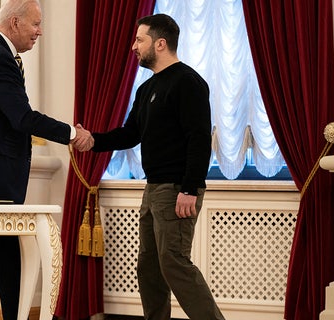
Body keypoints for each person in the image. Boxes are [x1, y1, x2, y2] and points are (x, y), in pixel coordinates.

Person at [0, 0, 92, 319]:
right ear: (14, 23)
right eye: (36, 24)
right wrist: (71, 133)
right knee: (7, 262)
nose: (40, 31)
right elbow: (22, 118)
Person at [84, 14, 224, 320]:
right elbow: (130, 134)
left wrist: (189, 188)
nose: (133, 46)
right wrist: (92, 140)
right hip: (153, 188)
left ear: (160, 44)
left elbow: (199, 139)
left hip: (177, 189)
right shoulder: (146, 89)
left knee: (173, 262)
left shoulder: (189, 82)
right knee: (148, 266)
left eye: (139, 40)